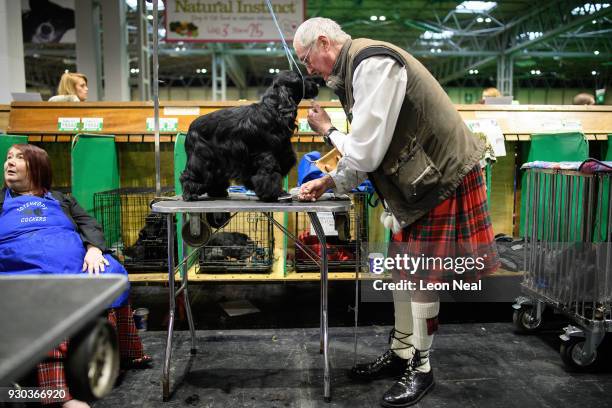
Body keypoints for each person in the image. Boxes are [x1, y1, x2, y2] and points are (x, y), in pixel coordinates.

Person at [293, 18, 499, 407]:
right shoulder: (354, 71)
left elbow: (366, 150)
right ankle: (404, 352)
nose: (308, 70)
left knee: (421, 277)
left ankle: (421, 368)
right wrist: (331, 181)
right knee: (402, 271)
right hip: (418, 179)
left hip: (441, 178)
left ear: (324, 42)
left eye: (307, 59)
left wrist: (327, 131)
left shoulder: (373, 64)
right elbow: (368, 149)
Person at [1, 144, 150, 408]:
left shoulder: (61, 199)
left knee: (111, 272)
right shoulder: (2, 201)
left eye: (19, 158)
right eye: (8, 158)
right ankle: (57, 394)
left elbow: (89, 224)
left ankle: (123, 356)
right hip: (23, 263)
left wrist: (93, 249)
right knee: (51, 292)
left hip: (72, 259)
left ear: (37, 167)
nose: (9, 163)